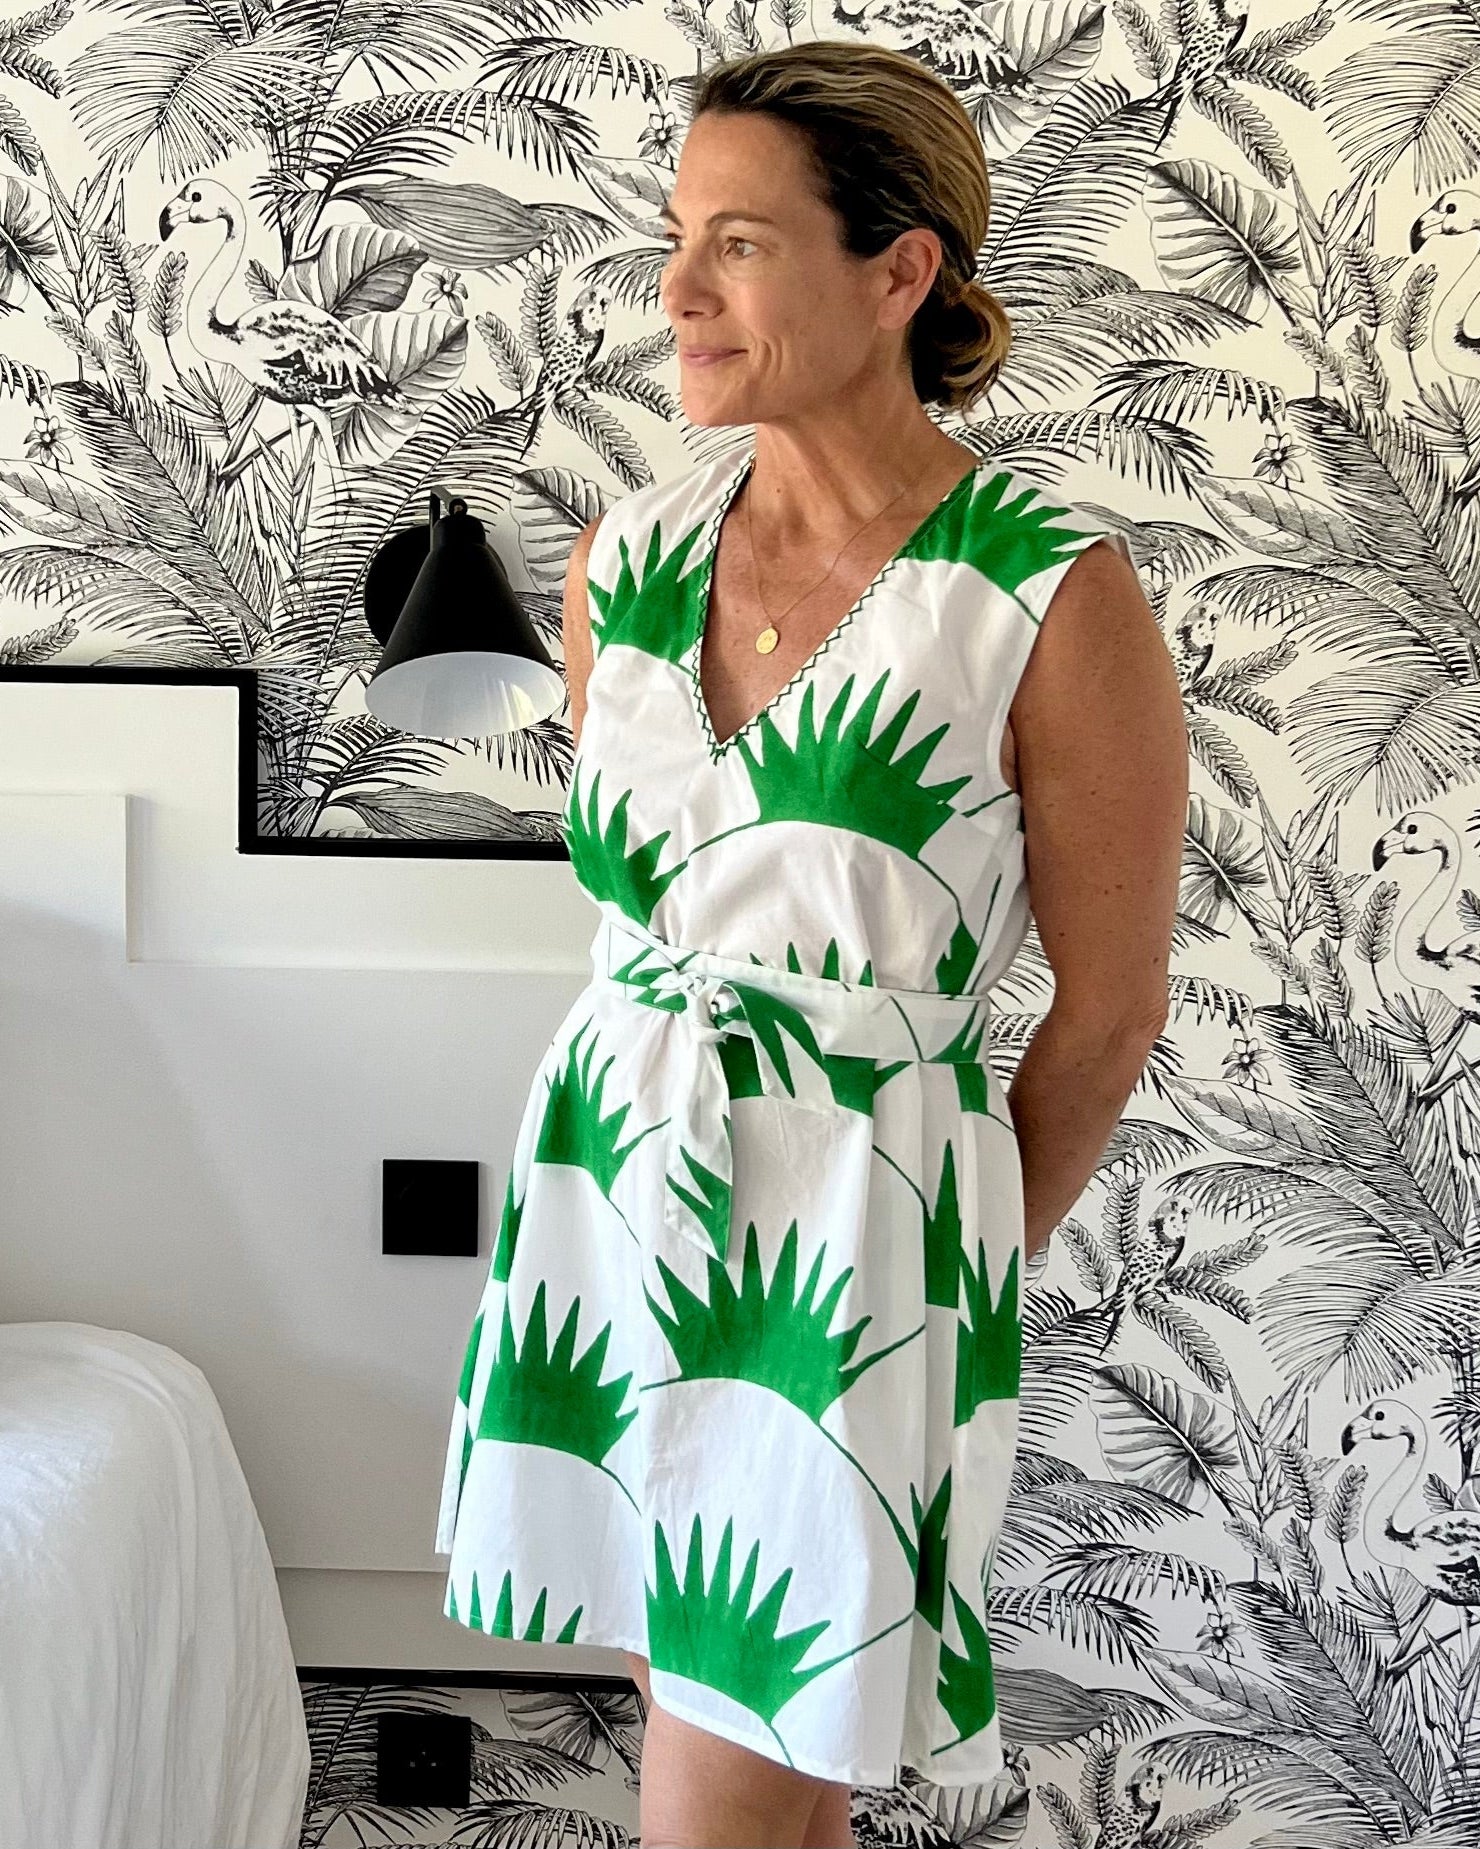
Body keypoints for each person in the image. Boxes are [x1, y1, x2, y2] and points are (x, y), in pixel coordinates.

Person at [434, 38, 1187, 1849]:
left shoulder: (1043, 598)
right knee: (705, 1747)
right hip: (607, 1200)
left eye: (742, 244)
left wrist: (936, 1272)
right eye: (677, 237)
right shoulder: (630, 554)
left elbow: (1107, 1011)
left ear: (901, 269)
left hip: (844, 1259)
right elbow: (660, 901)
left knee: (734, 1798)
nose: (677, 292)